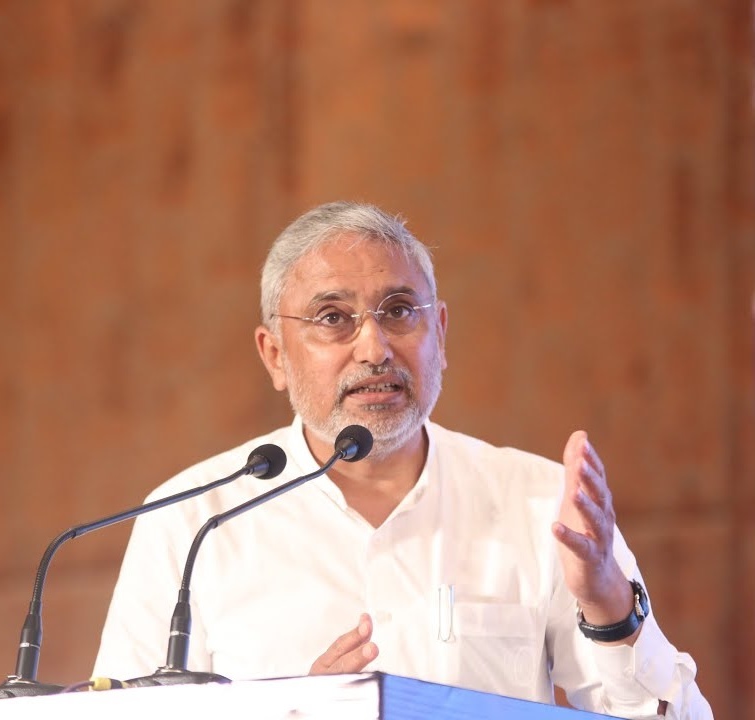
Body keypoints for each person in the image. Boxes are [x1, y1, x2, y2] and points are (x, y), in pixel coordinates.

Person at [93, 201, 711, 718]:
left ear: (439, 333)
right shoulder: (189, 521)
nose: (374, 347)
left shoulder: (541, 504)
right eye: (333, 318)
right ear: (275, 355)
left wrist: (609, 605)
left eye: (397, 312)